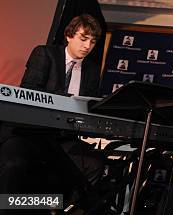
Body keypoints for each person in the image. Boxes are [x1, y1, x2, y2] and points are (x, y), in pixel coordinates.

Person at [0, 14, 105, 210]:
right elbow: (30, 93)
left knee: (94, 163)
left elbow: (88, 108)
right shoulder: (44, 54)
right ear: (69, 35)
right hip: (28, 134)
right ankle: (18, 207)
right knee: (15, 165)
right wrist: (65, 101)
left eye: (92, 42)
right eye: (83, 39)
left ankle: (57, 207)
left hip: (61, 139)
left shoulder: (91, 71)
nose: (87, 46)